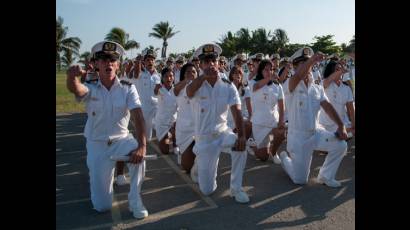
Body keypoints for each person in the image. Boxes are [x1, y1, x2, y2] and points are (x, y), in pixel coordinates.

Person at [66, 41, 149, 219]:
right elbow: (78, 90)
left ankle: (135, 200)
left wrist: (142, 145)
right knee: (102, 206)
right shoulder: (91, 86)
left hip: (121, 140)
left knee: (140, 157)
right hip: (97, 144)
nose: (108, 63)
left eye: (112, 59)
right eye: (103, 59)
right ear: (96, 64)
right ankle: (101, 178)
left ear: (118, 64)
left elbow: (138, 116)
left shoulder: (128, 88)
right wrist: (72, 78)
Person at [186, 43, 249, 203]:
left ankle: (236, 189)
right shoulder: (196, 83)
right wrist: (203, 77)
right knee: (207, 190)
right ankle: (198, 165)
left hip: (222, 132)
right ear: (200, 64)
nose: (210, 64)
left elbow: (237, 111)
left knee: (240, 147)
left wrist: (241, 136)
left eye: (213, 60)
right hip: (204, 138)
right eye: (206, 61)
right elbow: (189, 92)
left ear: (218, 62)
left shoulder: (228, 85)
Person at [279, 47, 348, 188]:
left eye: (308, 64)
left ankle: (325, 176)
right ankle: (285, 159)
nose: (308, 67)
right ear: (295, 66)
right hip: (298, 138)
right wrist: (312, 60)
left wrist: (341, 125)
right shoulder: (289, 84)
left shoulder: (317, 87)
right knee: (300, 180)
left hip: (316, 132)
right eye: (303, 64)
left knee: (340, 145)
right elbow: (297, 77)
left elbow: (327, 107)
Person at [248, 60, 285, 163]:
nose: (269, 72)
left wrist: (281, 120)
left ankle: (274, 152)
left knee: (281, 133)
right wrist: (269, 78)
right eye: (266, 69)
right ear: (261, 71)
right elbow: (256, 87)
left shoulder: (277, 86)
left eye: (271, 69)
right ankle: (252, 144)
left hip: (273, 120)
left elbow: (282, 105)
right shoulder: (253, 83)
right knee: (263, 157)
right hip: (259, 122)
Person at [127, 49, 161, 141]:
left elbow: (159, 91)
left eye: (152, 60)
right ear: (144, 62)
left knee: (161, 126)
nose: (150, 62)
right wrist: (137, 62)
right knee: (147, 137)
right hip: (145, 109)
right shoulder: (140, 73)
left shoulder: (158, 76)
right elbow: (135, 75)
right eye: (148, 60)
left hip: (157, 106)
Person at [319, 60, 355, 136]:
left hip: (341, 124)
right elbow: (326, 82)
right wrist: (340, 71)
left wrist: (353, 124)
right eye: (337, 70)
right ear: (331, 72)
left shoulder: (346, 87)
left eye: (341, 69)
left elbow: (351, 109)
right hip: (325, 124)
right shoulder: (324, 84)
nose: (341, 72)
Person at [174, 63, 198, 172]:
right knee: (187, 167)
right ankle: (182, 153)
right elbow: (175, 90)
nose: (191, 74)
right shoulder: (179, 87)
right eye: (188, 72)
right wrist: (186, 81)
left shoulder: (202, 86)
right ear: (183, 75)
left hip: (199, 127)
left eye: (193, 72)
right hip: (185, 129)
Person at [153, 67, 178, 154]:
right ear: (162, 78)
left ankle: (175, 144)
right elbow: (155, 92)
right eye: (166, 76)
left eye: (171, 76)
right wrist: (156, 88)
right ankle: (167, 139)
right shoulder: (159, 88)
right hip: (161, 122)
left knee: (177, 127)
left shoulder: (176, 89)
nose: (169, 78)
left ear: (174, 77)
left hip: (173, 122)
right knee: (165, 151)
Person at [227, 66, 252, 141]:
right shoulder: (226, 87)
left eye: (240, 73)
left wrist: (250, 120)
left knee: (248, 124)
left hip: (241, 118)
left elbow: (250, 110)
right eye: (235, 73)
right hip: (228, 119)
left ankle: (244, 143)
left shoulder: (246, 89)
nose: (238, 75)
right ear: (231, 75)